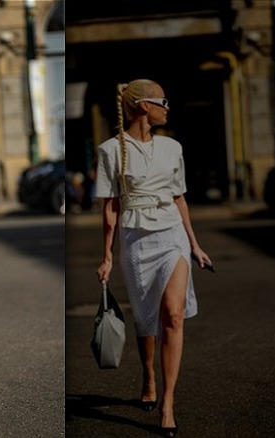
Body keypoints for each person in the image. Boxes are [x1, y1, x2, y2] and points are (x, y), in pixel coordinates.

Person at [94, 79, 211, 438]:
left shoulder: (173, 148)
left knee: (173, 315)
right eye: (163, 101)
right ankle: (149, 376)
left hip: (171, 235)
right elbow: (110, 207)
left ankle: (168, 403)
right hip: (135, 239)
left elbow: (180, 198)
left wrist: (194, 244)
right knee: (147, 320)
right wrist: (107, 257)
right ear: (144, 106)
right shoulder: (110, 150)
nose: (168, 107)